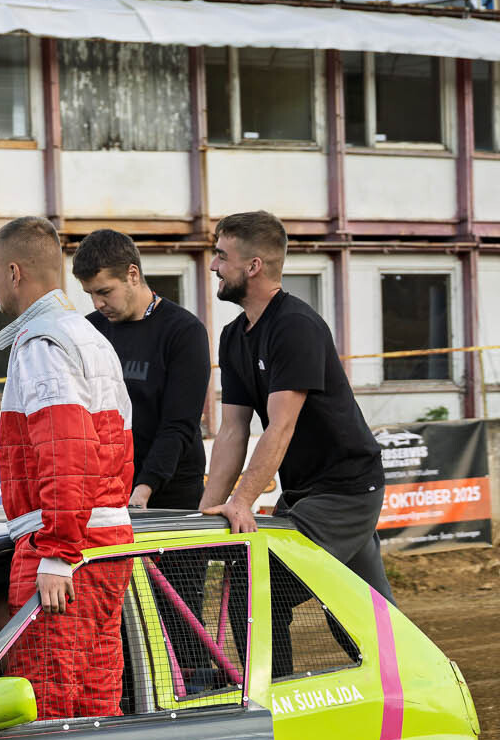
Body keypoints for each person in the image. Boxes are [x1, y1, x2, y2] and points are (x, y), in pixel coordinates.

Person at [199, 210, 391, 602]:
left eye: (222, 256)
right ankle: (398, 645)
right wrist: (207, 511)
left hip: (346, 491)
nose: (214, 266)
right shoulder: (233, 336)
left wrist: (242, 502)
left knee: (258, 591)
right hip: (305, 491)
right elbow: (233, 430)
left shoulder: (295, 326)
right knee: (366, 604)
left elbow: (281, 426)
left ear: (253, 266)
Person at [0, 215, 135, 723]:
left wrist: (56, 552)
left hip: (67, 547)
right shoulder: (87, 336)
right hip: (104, 542)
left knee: (46, 704)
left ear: (14, 272)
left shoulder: (42, 342)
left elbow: (67, 452)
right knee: (95, 701)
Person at [72, 228, 210, 509]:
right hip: (108, 487)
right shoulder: (88, 330)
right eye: (90, 294)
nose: (98, 304)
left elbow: (179, 424)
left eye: (104, 292)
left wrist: (144, 489)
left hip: (171, 490)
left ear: (132, 274)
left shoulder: (183, 331)